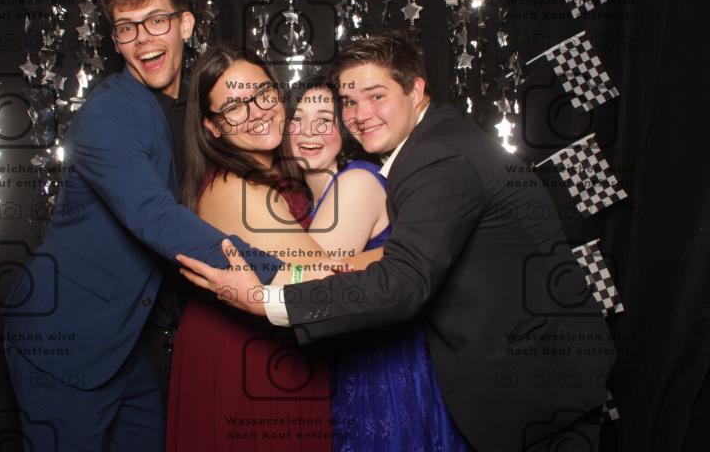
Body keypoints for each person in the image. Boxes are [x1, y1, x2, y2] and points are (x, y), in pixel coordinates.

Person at [176, 31, 617, 452]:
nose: (361, 113)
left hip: (530, 382)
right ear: (211, 125)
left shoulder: (434, 156)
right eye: (350, 102)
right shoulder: (428, 146)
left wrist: (263, 299)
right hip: (513, 377)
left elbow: (400, 283)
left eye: (376, 96)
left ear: (416, 90)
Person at [2, 0, 285, 452]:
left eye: (156, 21)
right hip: (64, 335)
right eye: (127, 28)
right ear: (116, 41)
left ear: (185, 25)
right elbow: (153, 215)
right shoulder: (110, 113)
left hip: (127, 342)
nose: (143, 39)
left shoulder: (186, 110)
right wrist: (282, 276)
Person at [166, 47, 380, 451]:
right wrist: (398, 253)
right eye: (234, 107)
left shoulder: (278, 172)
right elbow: (322, 280)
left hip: (278, 346)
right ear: (212, 126)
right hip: (244, 356)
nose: (257, 112)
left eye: (263, 94)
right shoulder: (237, 188)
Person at [285, 75, 472, 451]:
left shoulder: (355, 183)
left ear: (344, 129)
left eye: (324, 119)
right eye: (298, 119)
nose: (309, 132)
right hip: (352, 363)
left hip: (382, 370)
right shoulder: (309, 199)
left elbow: (303, 287)